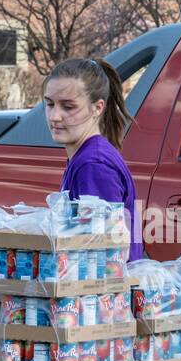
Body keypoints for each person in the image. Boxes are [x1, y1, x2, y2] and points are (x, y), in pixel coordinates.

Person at [44, 58, 144, 261]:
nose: (55, 116)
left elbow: (104, 255)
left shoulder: (93, 164)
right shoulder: (86, 156)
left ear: (97, 108)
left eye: (68, 107)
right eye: (50, 104)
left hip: (104, 291)